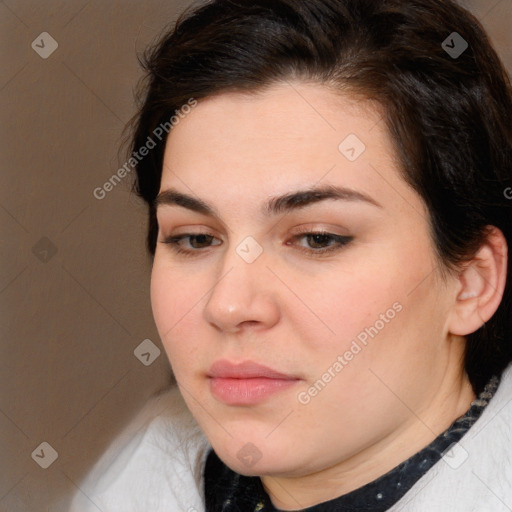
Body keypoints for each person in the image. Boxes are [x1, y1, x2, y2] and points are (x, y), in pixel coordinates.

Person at [70, 0, 512, 510]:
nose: (228, 305)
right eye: (195, 238)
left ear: (471, 282)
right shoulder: (126, 482)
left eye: (318, 238)